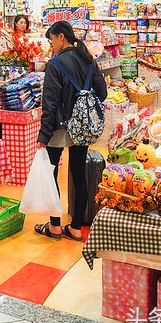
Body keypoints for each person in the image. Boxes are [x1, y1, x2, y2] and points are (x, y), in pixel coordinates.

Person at [34, 20, 107, 241]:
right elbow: (101, 93)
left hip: (58, 127)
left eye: (52, 40)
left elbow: (50, 104)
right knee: (79, 176)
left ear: (61, 37)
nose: (51, 45)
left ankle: (55, 227)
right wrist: (82, 107)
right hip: (82, 127)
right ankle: (75, 228)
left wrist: (43, 136)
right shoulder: (89, 61)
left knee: (52, 173)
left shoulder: (55, 65)